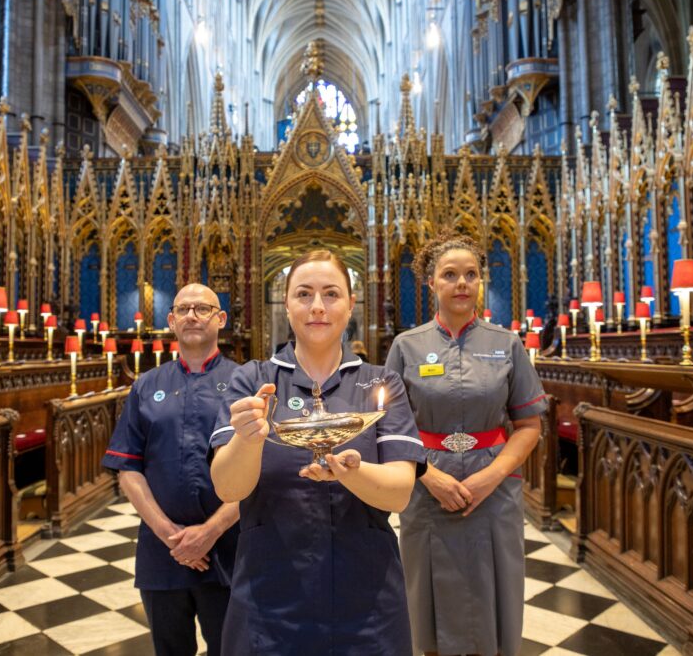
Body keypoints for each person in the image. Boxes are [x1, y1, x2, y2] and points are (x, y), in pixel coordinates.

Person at [209, 250, 426, 655]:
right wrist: (248, 437)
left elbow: (398, 494)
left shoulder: (381, 383)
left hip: (367, 604)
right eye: (304, 294)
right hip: (269, 603)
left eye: (331, 294)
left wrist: (349, 472)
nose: (318, 307)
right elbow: (227, 488)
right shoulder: (252, 380)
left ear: (351, 304)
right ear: (287, 304)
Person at [385, 232, 546, 656]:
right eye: (450, 275)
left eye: (470, 274)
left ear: (480, 281)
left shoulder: (506, 344)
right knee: (427, 599)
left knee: (495, 589)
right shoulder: (406, 346)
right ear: (431, 283)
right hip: (427, 490)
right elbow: (391, 429)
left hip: (494, 490)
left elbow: (529, 424)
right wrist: (430, 476)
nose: (461, 283)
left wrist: (489, 478)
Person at [102, 284, 240, 656]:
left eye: (202, 308)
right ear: (171, 320)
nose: (192, 315)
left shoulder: (247, 382)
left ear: (220, 319)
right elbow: (128, 468)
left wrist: (210, 531)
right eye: (183, 309)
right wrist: (173, 538)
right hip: (162, 553)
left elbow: (260, 472)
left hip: (230, 549)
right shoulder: (147, 385)